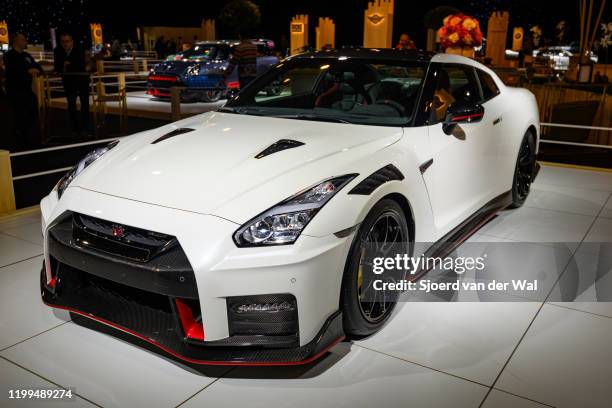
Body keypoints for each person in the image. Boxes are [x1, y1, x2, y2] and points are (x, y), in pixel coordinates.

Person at [3, 33, 43, 149]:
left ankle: (32, 139)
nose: (26, 41)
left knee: (31, 114)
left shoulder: (27, 55)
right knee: (18, 116)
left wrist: (36, 70)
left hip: (27, 91)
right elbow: (13, 70)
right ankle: (20, 142)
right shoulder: (9, 56)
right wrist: (27, 70)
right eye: (23, 39)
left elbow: (38, 67)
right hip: (15, 91)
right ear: (16, 41)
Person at [54, 32, 91, 136]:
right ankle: (74, 128)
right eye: (62, 42)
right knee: (71, 105)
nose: (65, 44)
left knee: (85, 104)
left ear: (72, 41)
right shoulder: (57, 51)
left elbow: (81, 65)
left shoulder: (79, 49)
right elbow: (57, 67)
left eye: (67, 41)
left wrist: (68, 64)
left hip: (82, 81)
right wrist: (64, 65)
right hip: (68, 82)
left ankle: (85, 127)